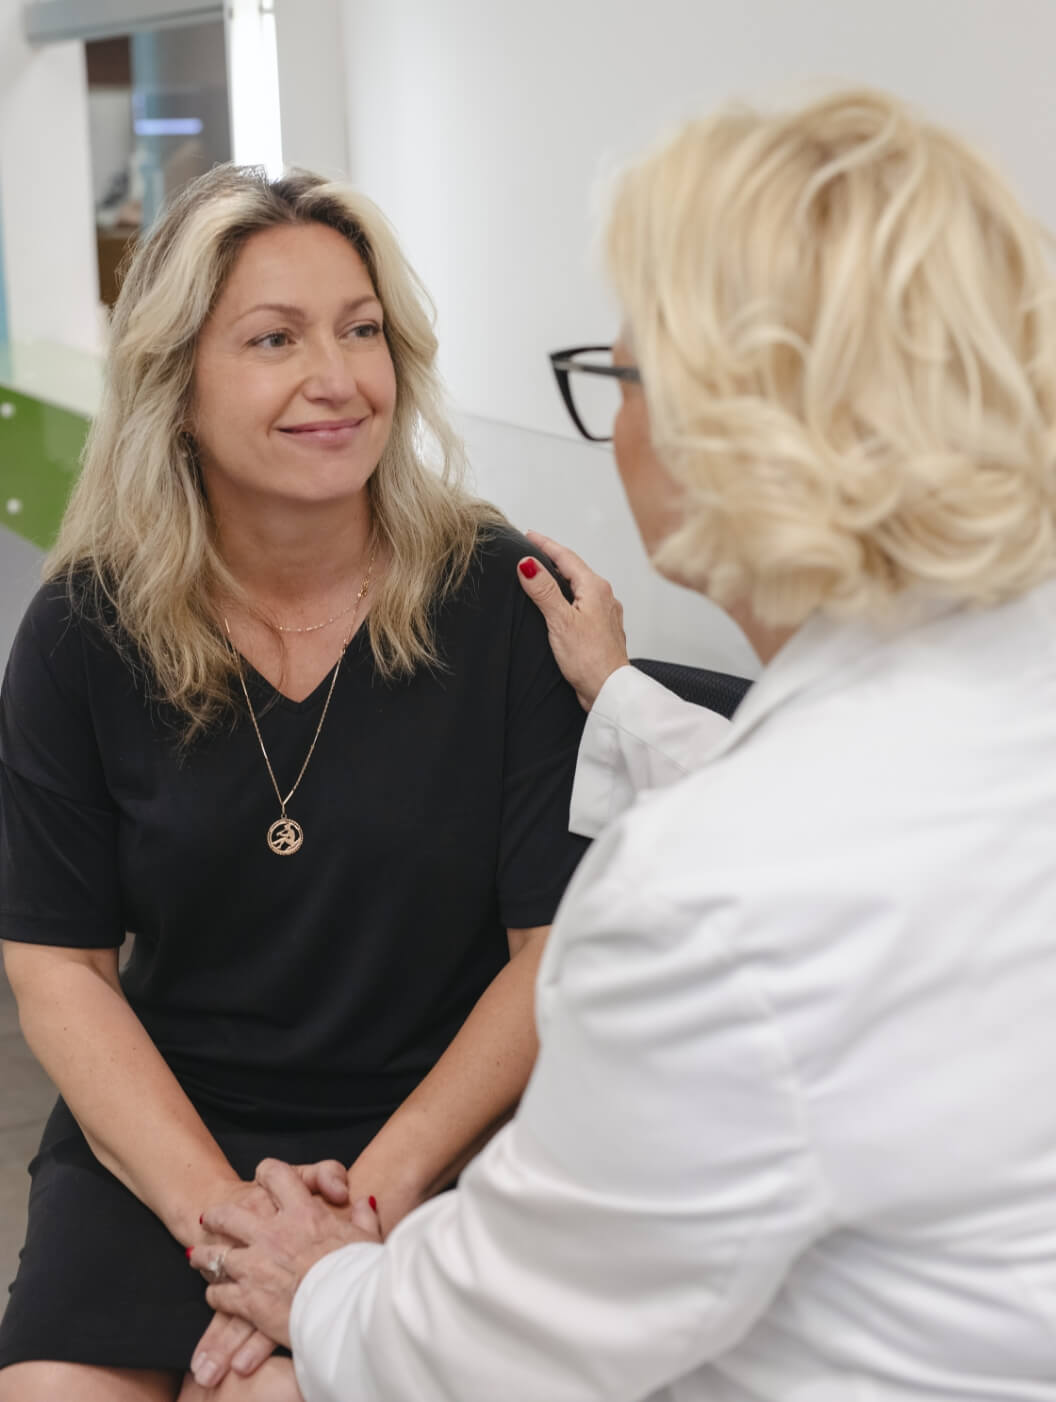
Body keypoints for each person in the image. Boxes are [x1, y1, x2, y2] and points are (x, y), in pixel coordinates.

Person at [188, 90, 1056, 1401]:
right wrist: (622, 688)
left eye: (623, 369)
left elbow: (494, 1352)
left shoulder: (706, 893)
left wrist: (320, 1278)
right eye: (274, 336)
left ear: (723, 428)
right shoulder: (988, 696)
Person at [0, 165, 590, 1402]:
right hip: (171, 1128)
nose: (338, 379)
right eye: (275, 340)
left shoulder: (502, 600)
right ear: (178, 384)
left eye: (362, 330)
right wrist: (230, 1228)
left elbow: (553, 951)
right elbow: (56, 962)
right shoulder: (83, 628)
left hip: (437, 1124)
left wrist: (356, 1218)